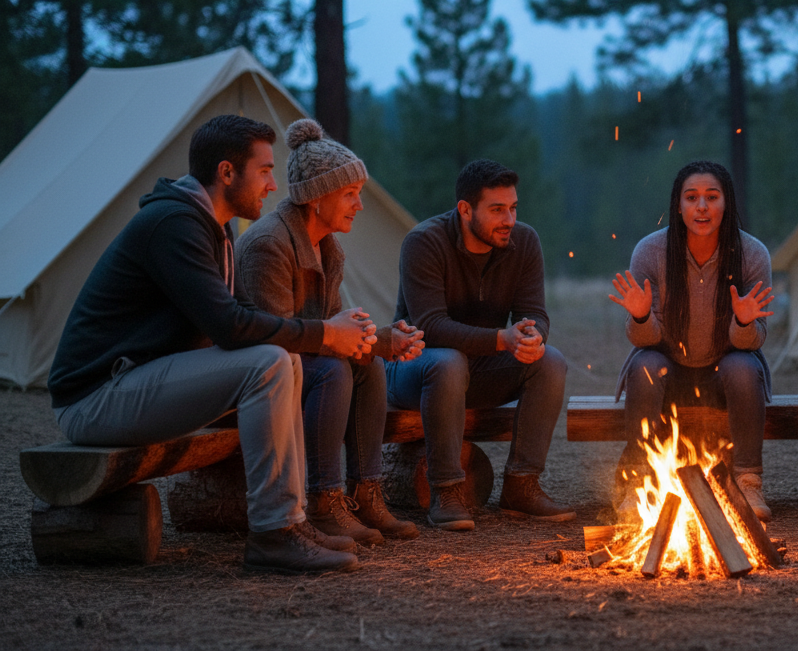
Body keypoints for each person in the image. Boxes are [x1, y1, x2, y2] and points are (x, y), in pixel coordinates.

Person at [47, 114, 378, 574]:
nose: (271, 184)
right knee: (267, 362)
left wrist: (337, 335)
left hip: (137, 383)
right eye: (264, 170)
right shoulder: (172, 224)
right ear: (227, 172)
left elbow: (247, 318)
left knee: (284, 360)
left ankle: (293, 521)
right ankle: (272, 532)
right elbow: (229, 327)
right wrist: (325, 333)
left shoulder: (212, 227)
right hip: (96, 398)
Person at [236, 119, 424, 547]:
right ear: (316, 198)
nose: (359, 205)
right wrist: (351, 341)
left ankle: (366, 493)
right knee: (331, 371)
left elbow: (334, 328)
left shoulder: (327, 247)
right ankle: (324, 500)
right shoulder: (270, 244)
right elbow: (273, 338)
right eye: (349, 194)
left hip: (302, 362)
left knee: (366, 364)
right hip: (261, 378)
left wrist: (381, 341)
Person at [385, 159, 572, 531]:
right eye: (497, 210)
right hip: (413, 367)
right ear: (465, 210)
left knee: (550, 361)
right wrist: (502, 339)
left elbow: (534, 312)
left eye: (513, 208)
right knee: (448, 362)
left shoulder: (524, 242)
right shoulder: (425, 242)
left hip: (480, 369)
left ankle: (521, 485)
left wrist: (533, 338)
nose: (509, 220)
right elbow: (431, 327)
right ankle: (447, 491)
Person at [610, 161, 776, 521]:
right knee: (645, 365)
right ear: (678, 205)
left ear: (726, 204)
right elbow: (644, 339)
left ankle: (748, 480)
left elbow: (755, 340)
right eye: (692, 197)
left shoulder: (752, 254)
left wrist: (744, 321)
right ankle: (638, 482)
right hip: (668, 370)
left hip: (726, 369)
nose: (701, 207)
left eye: (711, 197)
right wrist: (640, 316)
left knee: (744, 367)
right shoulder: (651, 251)